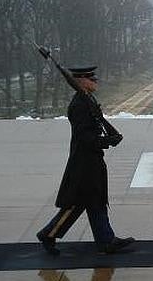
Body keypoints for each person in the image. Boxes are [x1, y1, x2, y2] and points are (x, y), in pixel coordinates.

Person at [36, 66, 134, 255]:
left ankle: (106, 240)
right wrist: (106, 141)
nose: (95, 81)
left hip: (92, 161)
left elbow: (97, 123)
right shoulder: (80, 105)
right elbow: (84, 136)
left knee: (95, 202)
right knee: (76, 204)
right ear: (81, 81)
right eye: (91, 79)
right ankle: (48, 233)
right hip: (84, 164)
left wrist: (110, 135)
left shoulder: (87, 99)